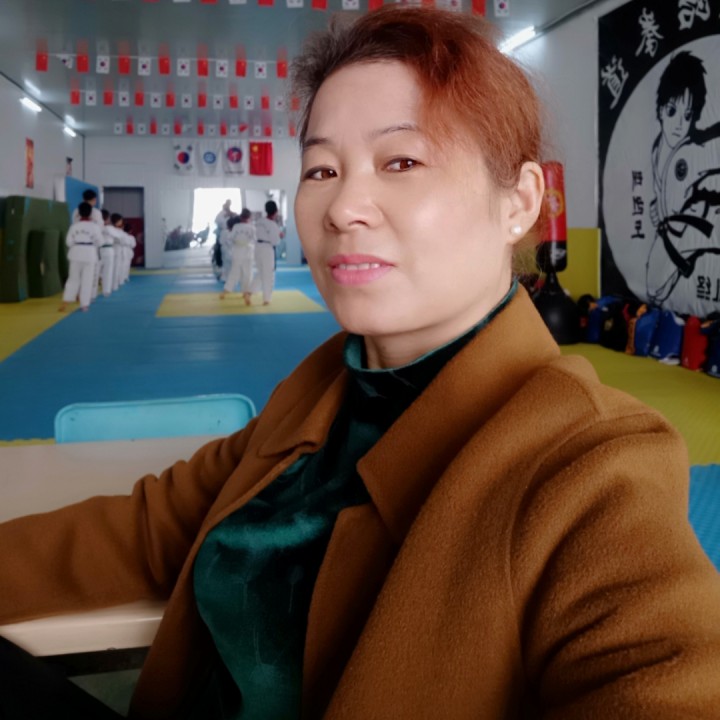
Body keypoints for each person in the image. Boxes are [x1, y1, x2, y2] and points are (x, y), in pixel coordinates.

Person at [2, 8, 720, 720]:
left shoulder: (589, 464)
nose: (344, 206)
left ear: (519, 202)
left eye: (401, 161)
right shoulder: (322, 390)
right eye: (322, 168)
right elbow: (154, 525)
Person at [645, 51, 720, 309]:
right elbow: (664, 192)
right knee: (654, 289)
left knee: (655, 287)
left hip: (698, 226)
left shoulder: (692, 152)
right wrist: (658, 209)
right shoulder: (657, 150)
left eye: (687, 116)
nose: (679, 124)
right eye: (672, 111)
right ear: (660, 110)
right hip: (672, 234)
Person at [58, 201, 103, 312]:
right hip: (89, 254)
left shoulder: (74, 226)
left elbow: (68, 242)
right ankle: (84, 304)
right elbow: (100, 242)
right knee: (87, 280)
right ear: (91, 213)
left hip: (75, 253)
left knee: (73, 279)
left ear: (78, 213)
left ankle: (66, 301)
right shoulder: (95, 227)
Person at [220, 208, 255, 305]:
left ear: (241, 217)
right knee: (248, 273)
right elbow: (255, 240)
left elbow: (230, 238)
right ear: (249, 217)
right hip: (248, 251)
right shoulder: (252, 227)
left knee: (234, 271)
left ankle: (225, 291)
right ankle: (246, 293)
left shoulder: (236, 227)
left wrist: (235, 244)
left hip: (237, 251)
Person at [253, 200, 284, 305]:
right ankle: (266, 299)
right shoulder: (272, 224)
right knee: (268, 274)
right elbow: (275, 241)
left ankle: (250, 291)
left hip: (257, 247)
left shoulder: (259, 221)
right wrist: (280, 236)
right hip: (267, 248)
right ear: (276, 211)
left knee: (261, 272)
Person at [98, 209, 116, 298]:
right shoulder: (110, 228)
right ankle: (106, 291)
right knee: (108, 270)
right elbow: (118, 236)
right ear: (108, 218)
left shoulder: (97, 227)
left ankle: (93, 292)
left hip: (98, 250)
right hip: (108, 250)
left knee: (97, 270)